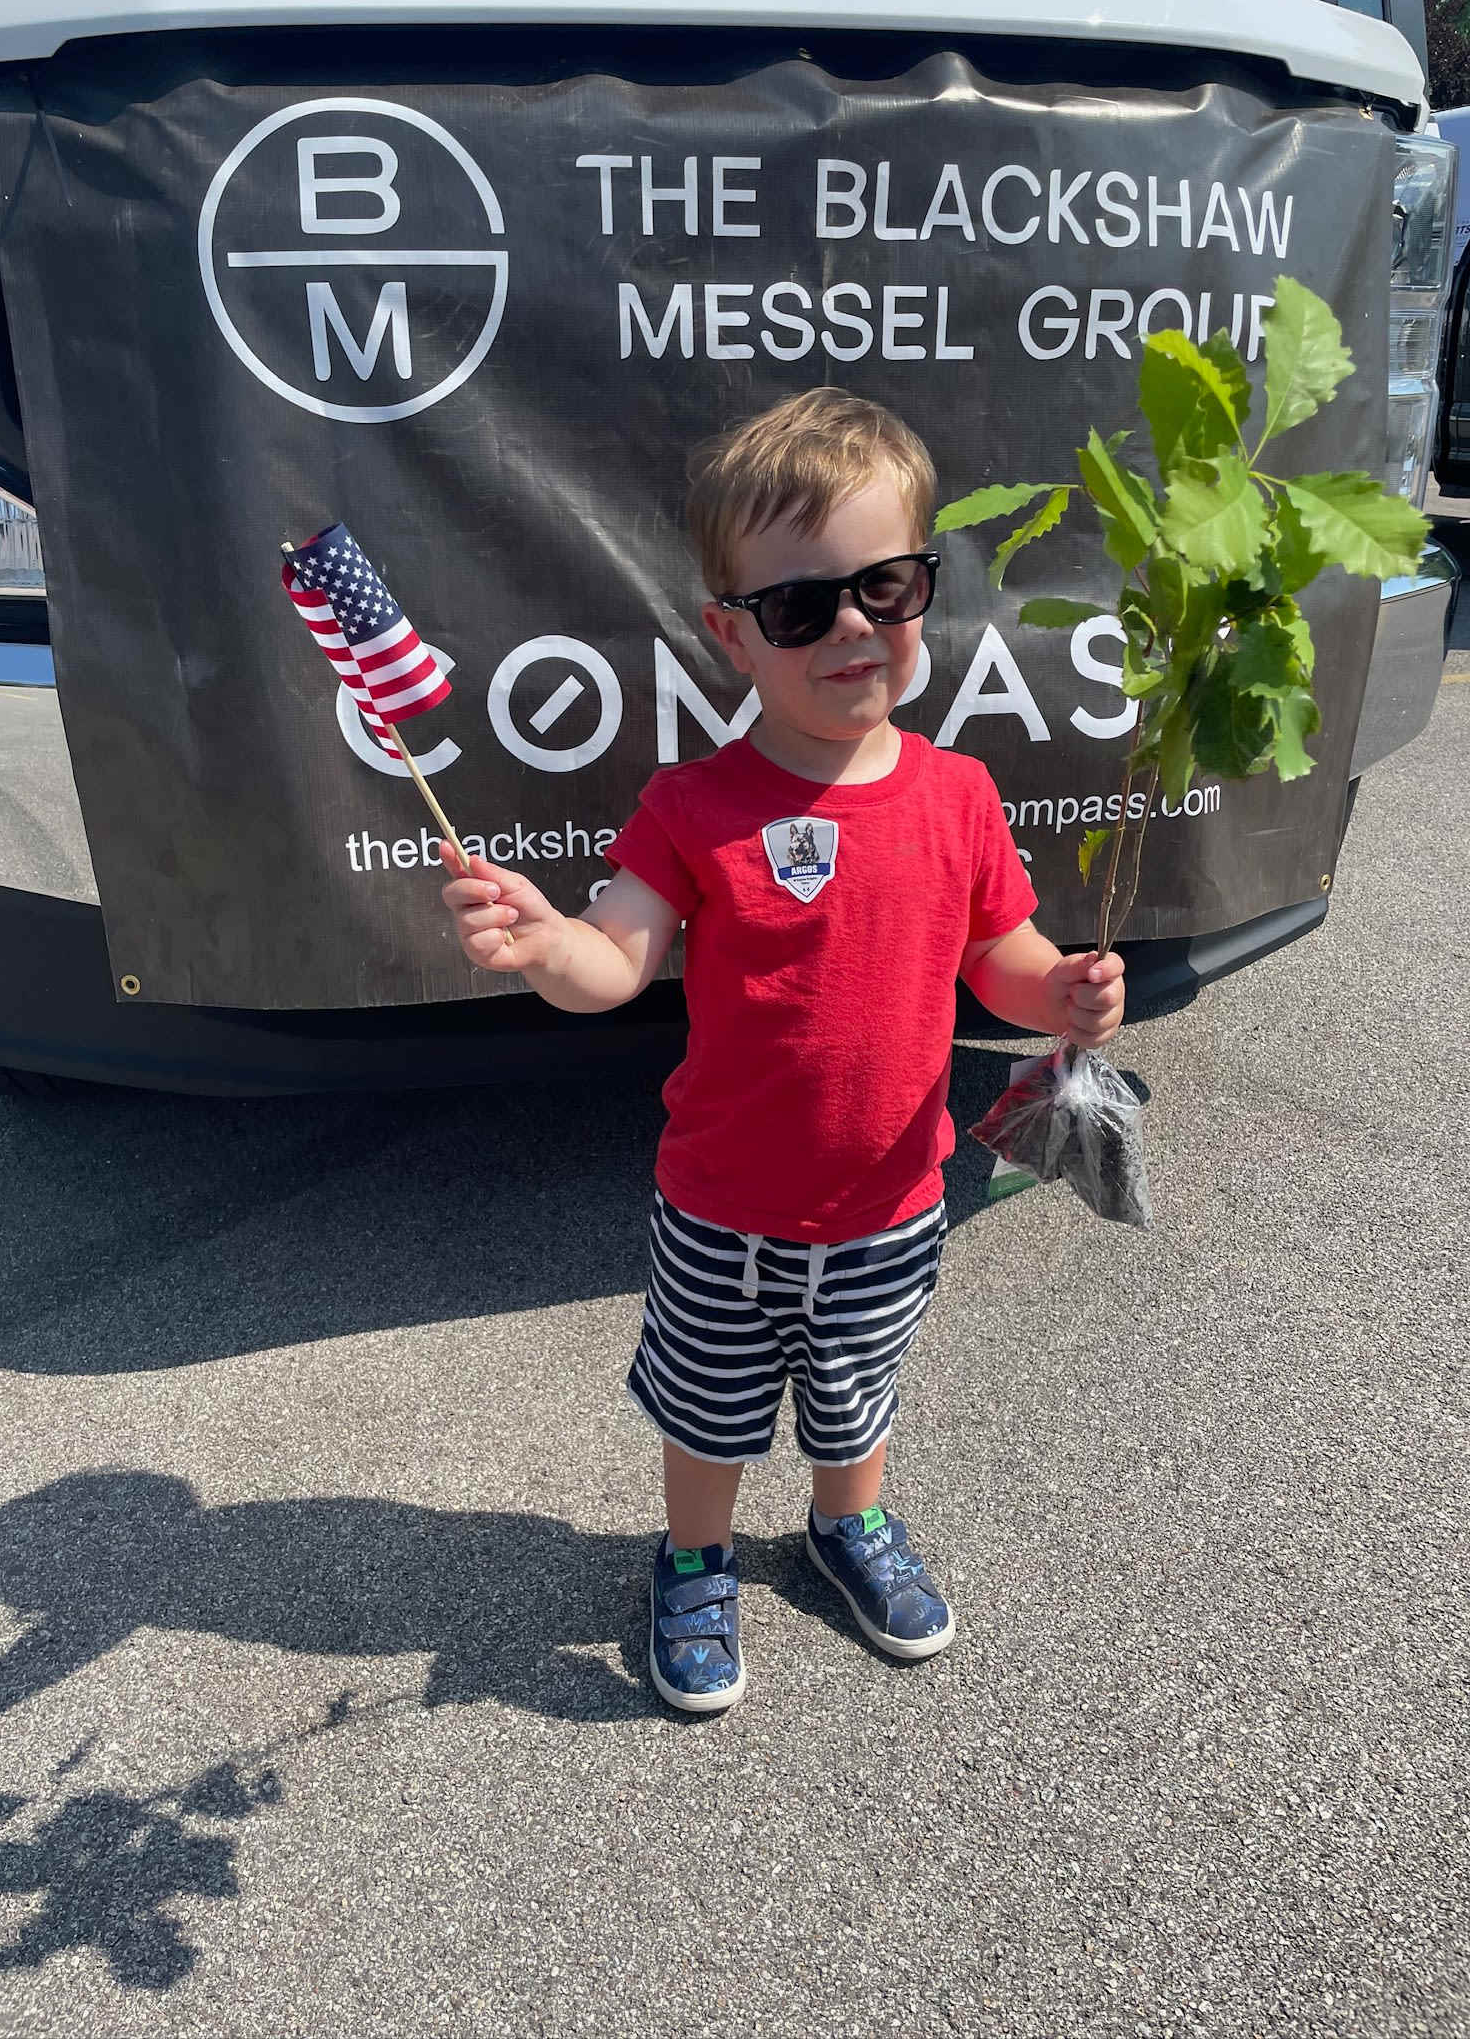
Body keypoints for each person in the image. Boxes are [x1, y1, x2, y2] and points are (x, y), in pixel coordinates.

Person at [441, 388, 1125, 1715]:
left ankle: (845, 1523)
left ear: (924, 589)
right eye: (802, 607)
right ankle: (694, 1557)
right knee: (708, 1414)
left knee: (859, 1398)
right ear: (732, 635)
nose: (853, 626)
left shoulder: (960, 795)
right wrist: (544, 945)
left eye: (886, 585)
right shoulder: (692, 806)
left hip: (893, 1204)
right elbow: (613, 962)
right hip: (724, 1213)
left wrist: (1063, 996)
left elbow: (1001, 956)